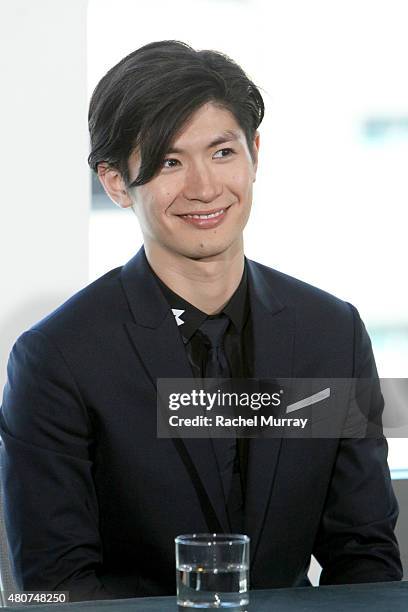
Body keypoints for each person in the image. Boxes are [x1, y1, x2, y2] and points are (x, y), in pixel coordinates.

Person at [0, 40, 402, 602]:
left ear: (254, 154)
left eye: (221, 152)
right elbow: (55, 589)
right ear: (116, 181)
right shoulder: (58, 359)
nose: (205, 188)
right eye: (169, 161)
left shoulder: (329, 334)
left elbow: (365, 557)